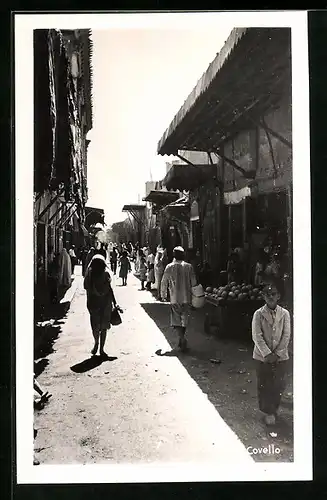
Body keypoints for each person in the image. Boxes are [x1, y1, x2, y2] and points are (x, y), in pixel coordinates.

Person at [252, 282, 291, 426]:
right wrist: (267, 354)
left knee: (278, 384)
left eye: (273, 294)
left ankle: (274, 409)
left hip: (281, 356)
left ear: (278, 296)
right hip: (262, 357)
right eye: (267, 294)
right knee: (264, 383)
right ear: (263, 296)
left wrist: (278, 353)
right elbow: (257, 335)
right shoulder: (258, 314)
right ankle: (268, 411)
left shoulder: (285, 314)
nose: (270, 297)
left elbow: (286, 335)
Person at [160, 246, 197, 352]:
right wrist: (195, 296)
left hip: (175, 297)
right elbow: (194, 282)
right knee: (184, 319)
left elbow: (164, 282)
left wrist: (163, 295)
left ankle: (182, 338)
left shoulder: (169, 267)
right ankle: (182, 339)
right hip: (187, 297)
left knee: (176, 320)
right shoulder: (189, 267)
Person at [84, 254, 118, 358]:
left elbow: (86, 288)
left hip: (94, 303)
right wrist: (115, 302)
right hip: (104, 303)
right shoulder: (105, 274)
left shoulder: (90, 275)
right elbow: (110, 289)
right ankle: (101, 348)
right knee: (103, 327)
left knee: (95, 326)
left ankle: (97, 344)